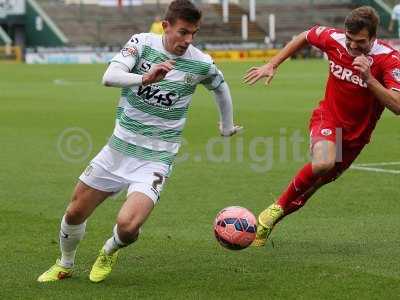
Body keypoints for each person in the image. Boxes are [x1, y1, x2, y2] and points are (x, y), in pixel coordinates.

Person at [38, 0, 242, 283]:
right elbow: (109, 77)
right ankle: (65, 263)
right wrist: (144, 77)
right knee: (74, 211)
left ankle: (110, 249)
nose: (188, 40)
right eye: (183, 32)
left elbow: (220, 87)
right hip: (117, 150)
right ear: (166, 26)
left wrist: (226, 125)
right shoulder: (141, 43)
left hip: (156, 159)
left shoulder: (201, 62)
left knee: (127, 226)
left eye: (194, 33)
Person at [244, 6, 400, 247]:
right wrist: (273, 63)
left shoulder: (388, 59)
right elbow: (305, 36)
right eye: (350, 39)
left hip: (356, 137)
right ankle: (273, 210)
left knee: (312, 187)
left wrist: (369, 79)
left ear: (373, 37)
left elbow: (397, 105)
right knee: (323, 163)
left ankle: (269, 221)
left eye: (360, 42)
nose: (352, 46)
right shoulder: (333, 38)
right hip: (328, 118)